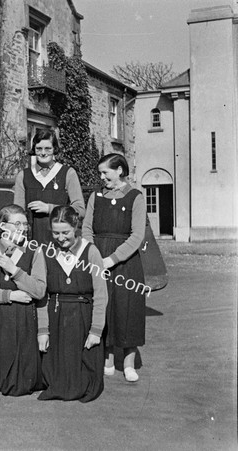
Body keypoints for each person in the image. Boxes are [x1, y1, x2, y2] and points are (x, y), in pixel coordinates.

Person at [0, 204, 47, 396]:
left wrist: (15, 271)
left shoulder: (34, 251)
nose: (23, 228)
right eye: (17, 224)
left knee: (20, 381)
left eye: (25, 224)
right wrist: (10, 296)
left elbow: (39, 290)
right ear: (3, 226)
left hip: (23, 321)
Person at [82, 153, 147, 383]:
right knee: (104, 306)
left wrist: (112, 259)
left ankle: (128, 361)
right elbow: (86, 228)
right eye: (100, 173)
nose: (101, 177)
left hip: (126, 263)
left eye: (105, 172)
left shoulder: (135, 197)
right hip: (97, 258)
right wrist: (93, 255)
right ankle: (108, 358)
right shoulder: (96, 196)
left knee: (127, 309)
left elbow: (137, 235)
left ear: (120, 170)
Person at [38, 206, 108, 402]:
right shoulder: (46, 251)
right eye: (56, 233)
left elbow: (101, 294)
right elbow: (42, 295)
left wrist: (96, 331)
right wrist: (43, 330)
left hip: (83, 317)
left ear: (76, 227)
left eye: (65, 232)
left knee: (84, 379)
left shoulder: (91, 252)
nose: (60, 238)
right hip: (57, 316)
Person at [13, 129, 85, 246]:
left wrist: (49, 208)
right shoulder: (24, 175)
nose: (43, 153)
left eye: (48, 149)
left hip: (61, 241)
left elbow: (80, 210)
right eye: (39, 149)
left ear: (54, 149)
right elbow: (17, 214)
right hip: (32, 241)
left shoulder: (68, 173)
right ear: (34, 150)